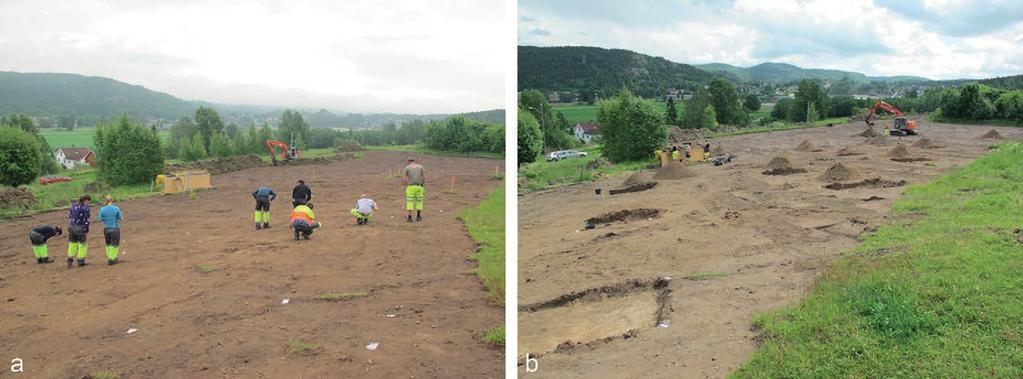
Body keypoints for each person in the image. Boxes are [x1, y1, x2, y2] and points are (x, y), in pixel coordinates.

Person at [67, 195, 91, 267]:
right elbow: (86, 220)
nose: (88, 203)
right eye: (88, 201)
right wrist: (86, 229)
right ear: (85, 200)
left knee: (72, 244)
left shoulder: (73, 206)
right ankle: (81, 260)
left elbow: (70, 216)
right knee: (82, 244)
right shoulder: (85, 208)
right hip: (80, 228)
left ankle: (69, 260)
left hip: (71, 227)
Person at [98, 195, 123, 265]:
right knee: (115, 244)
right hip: (115, 228)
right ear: (111, 200)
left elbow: (99, 219)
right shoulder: (116, 208)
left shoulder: (102, 209)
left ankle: (109, 256)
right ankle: (112, 258)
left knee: (108, 244)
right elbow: (120, 217)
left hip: (106, 228)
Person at [403, 158, 426, 222]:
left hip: (411, 187)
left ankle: (409, 217)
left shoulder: (407, 168)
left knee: (410, 201)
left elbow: (405, 178)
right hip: (419, 186)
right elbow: (423, 177)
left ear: (409, 161)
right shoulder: (421, 167)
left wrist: (406, 185)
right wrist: (422, 184)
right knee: (419, 201)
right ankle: (418, 216)